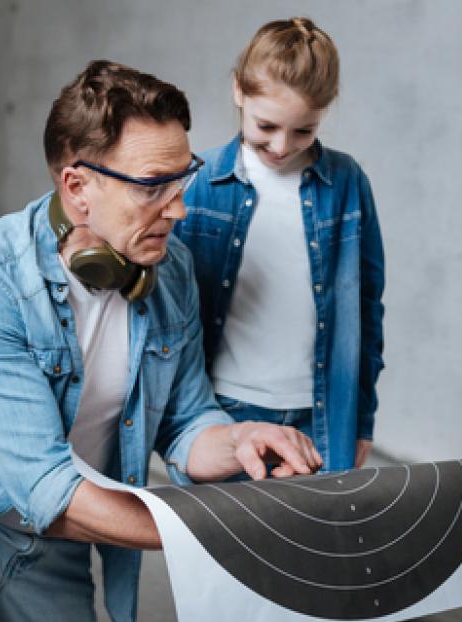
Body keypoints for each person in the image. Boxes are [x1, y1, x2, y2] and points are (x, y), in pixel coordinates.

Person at [0, 60, 321, 622]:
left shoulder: (170, 269)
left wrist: (240, 440)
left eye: (184, 179)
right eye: (154, 185)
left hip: (54, 539)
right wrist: (215, 526)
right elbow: (45, 485)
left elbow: (186, 422)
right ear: (77, 187)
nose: (178, 208)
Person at [176, 17, 385, 474]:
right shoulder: (198, 182)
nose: (281, 145)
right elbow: (166, 309)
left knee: (315, 546)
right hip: (222, 411)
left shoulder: (347, 183)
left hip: (323, 417)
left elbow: (368, 309)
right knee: (218, 545)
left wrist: (362, 420)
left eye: (303, 131)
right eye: (266, 125)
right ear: (238, 91)